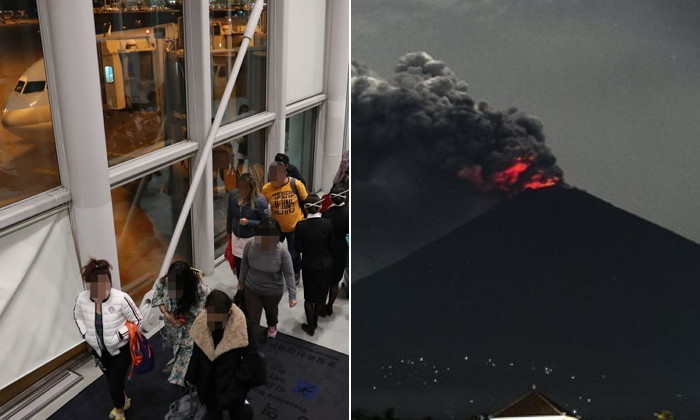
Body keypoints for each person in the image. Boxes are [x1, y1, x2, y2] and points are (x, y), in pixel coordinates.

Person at [73, 258, 142, 420]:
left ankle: (120, 411)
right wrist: (86, 335)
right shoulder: (82, 299)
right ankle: (123, 399)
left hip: (121, 350)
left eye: (106, 283)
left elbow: (138, 320)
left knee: (114, 384)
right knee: (111, 379)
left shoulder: (121, 298)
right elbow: (77, 317)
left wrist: (119, 335)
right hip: (99, 351)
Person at [185, 290, 258, 420]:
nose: (214, 321)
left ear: (228, 311)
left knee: (238, 414)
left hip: (231, 382)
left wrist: (240, 379)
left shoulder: (240, 324)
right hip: (208, 382)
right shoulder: (202, 322)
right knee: (213, 414)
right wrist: (191, 375)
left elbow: (251, 355)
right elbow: (197, 352)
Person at [152, 261, 209, 387]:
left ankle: (185, 380)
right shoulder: (163, 282)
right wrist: (168, 315)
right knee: (176, 348)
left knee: (187, 354)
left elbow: (202, 310)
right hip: (172, 324)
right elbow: (157, 298)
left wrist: (183, 313)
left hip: (190, 326)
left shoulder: (199, 288)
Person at [237, 218, 297, 338]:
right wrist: (241, 282)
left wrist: (292, 296)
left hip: (272, 290)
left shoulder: (282, 251)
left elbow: (289, 274)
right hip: (252, 287)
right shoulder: (250, 244)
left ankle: (272, 324)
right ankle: (253, 343)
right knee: (253, 318)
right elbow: (244, 263)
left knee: (271, 312)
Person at [261, 161, 308, 285]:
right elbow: (262, 207)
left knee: (294, 254)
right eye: (272, 180)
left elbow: (306, 202)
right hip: (277, 228)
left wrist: (307, 221)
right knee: (272, 252)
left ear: (285, 174)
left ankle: (296, 272)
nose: (274, 183)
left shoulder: (296, 184)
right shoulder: (266, 189)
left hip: (295, 226)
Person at [295, 194, 334, 336]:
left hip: (309, 264)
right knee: (321, 296)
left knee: (309, 297)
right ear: (319, 206)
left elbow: (298, 248)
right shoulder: (328, 224)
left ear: (305, 208)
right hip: (325, 264)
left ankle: (310, 325)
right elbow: (331, 245)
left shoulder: (300, 225)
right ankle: (316, 320)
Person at [226, 172, 269, 275]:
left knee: (251, 269)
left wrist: (249, 222)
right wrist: (228, 231)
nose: (243, 191)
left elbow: (266, 224)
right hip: (236, 237)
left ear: (252, 188)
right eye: (240, 188)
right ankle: (241, 288)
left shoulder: (260, 201)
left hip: (252, 239)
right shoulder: (233, 195)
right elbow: (230, 215)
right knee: (239, 266)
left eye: (246, 188)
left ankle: (250, 288)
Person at [322, 184, 349, 316]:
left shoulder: (326, 214)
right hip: (342, 251)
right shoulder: (349, 214)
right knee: (334, 282)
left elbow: (323, 234)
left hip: (327, 250)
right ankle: (330, 306)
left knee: (324, 281)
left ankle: (320, 306)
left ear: (331, 198)